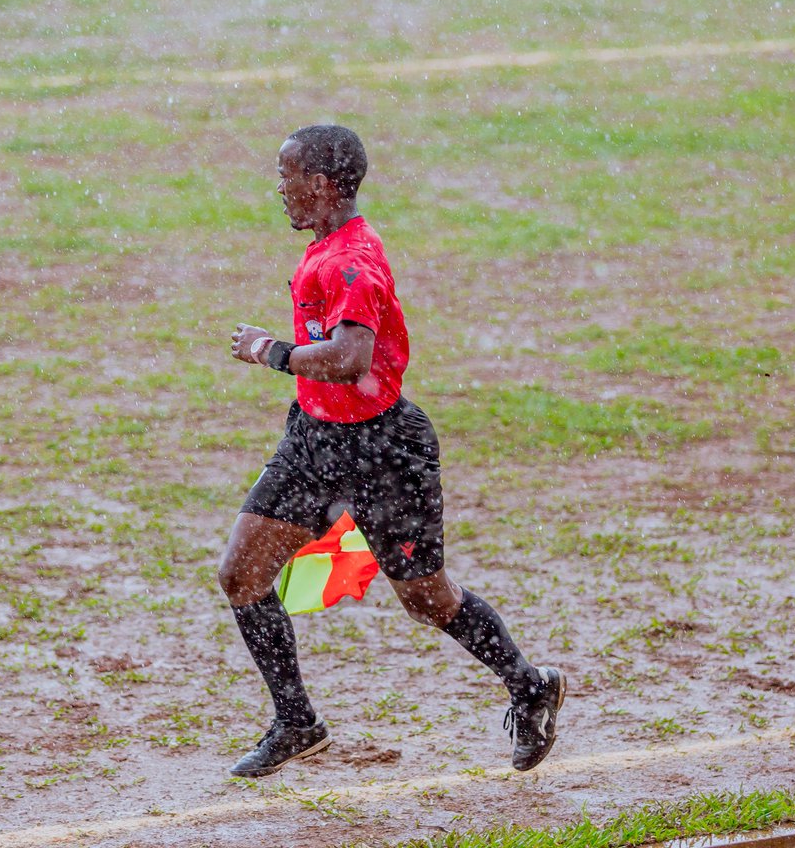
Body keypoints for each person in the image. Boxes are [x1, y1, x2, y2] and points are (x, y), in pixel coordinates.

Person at [220, 124, 564, 778]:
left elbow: (352, 359)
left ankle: (529, 684)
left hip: (384, 450)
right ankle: (297, 722)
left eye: (286, 175)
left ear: (320, 185)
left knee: (427, 599)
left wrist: (272, 351)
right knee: (242, 573)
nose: (279, 187)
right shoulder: (325, 247)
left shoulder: (355, 260)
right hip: (315, 438)